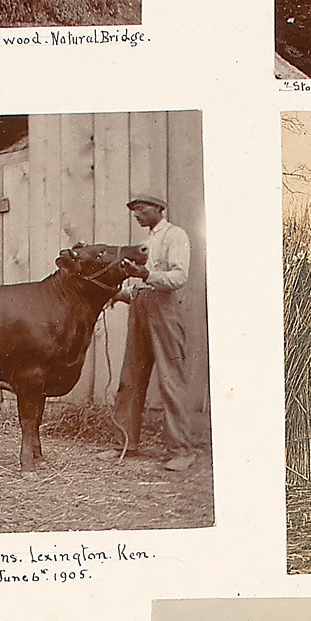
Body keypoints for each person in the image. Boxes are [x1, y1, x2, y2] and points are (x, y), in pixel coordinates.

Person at [102, 191, 196, 472]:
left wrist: (144, 275)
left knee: (170, 379)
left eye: (141, 209)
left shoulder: (175, 236)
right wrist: (117, 294)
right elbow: (141, 286)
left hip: (165, 311)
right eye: (134, 211)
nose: (136, 215)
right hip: (140, 309)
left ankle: (182, 450)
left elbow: (178, 277)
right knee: (130, 378)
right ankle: (125, 444)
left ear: (158, 208)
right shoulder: (145, 243)